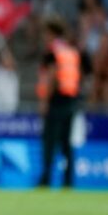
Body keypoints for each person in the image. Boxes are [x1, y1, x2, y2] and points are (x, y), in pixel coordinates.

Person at [37, 18, 82, 188]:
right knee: (66, 143)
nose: (43, 37)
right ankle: (68, 180)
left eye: (45, 33)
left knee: (50, 141)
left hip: (55, 102)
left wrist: (44, 101)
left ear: (51, 33)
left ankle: (46, 178)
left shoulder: (52, 52)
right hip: (71, 100)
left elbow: (52, 76)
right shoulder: (71, 51)